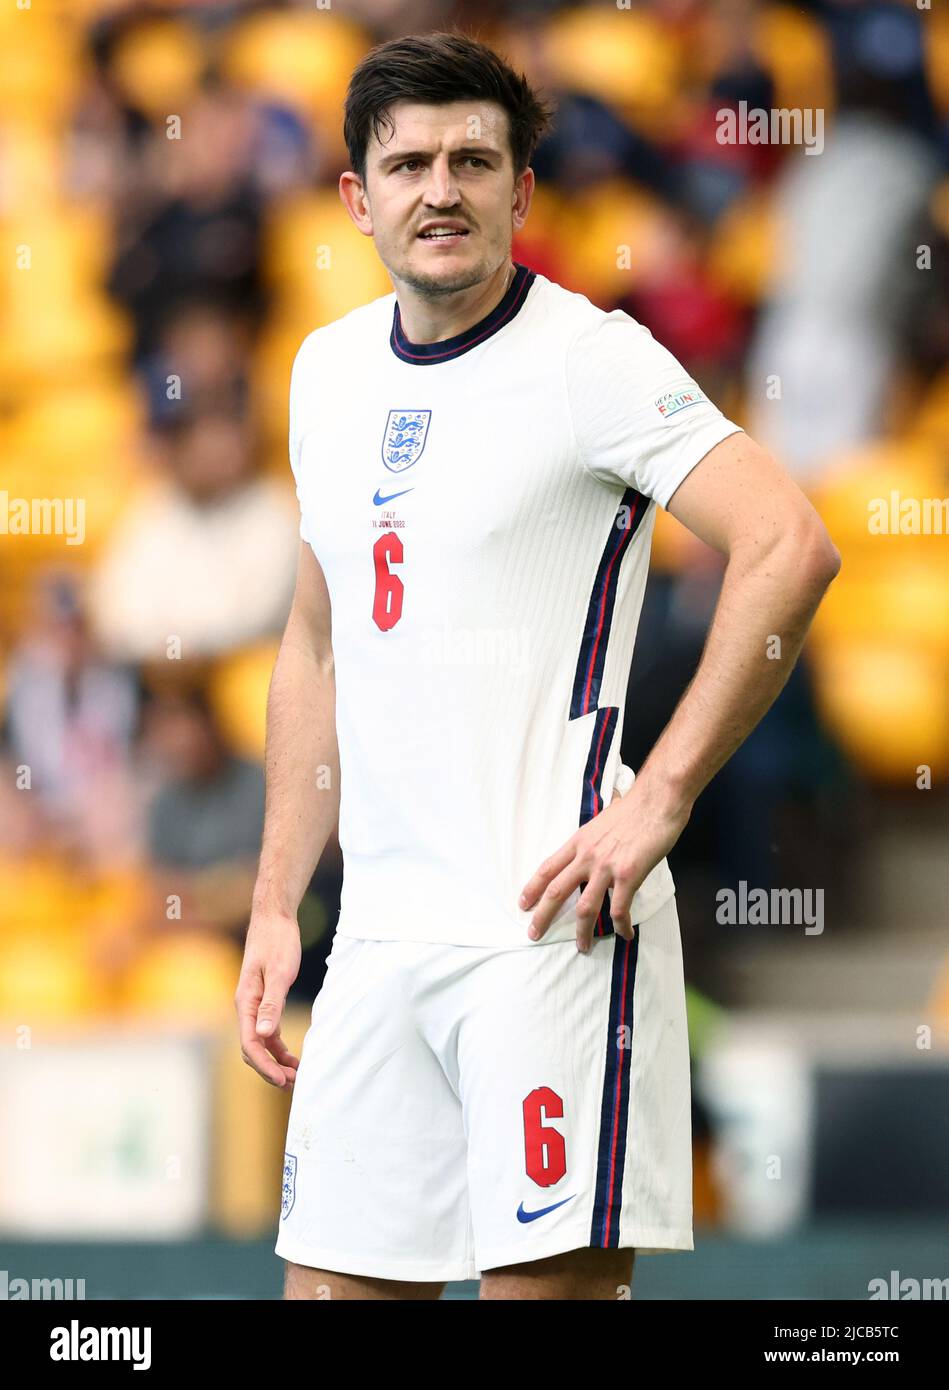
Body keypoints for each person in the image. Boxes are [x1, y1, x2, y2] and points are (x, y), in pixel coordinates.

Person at [234, 32, 840, 1302]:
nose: (437, 189)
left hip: (550, 936)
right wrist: (280, 896)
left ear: (521, 191)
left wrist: (660, 795)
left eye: (472, 159)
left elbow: (788, 544)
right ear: (357, 198)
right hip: (378, 947)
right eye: (405, 164)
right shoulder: (324, 370)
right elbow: (315, 637)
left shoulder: (588, 358)